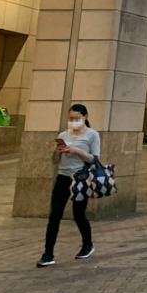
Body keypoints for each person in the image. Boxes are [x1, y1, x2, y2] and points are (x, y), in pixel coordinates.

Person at [37, 104, 98, 267]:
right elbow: (55, 161)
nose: (73, 121)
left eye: (76, 118)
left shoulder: (92, 135)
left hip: (80, 178)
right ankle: (48, 253)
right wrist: (58, 150)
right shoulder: (64, 134)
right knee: (54, 215)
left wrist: (76, 150)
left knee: (78, 214)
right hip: (62, 178)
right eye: (71, 118)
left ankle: (88, 244)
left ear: (85, 117)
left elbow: (94, 159)